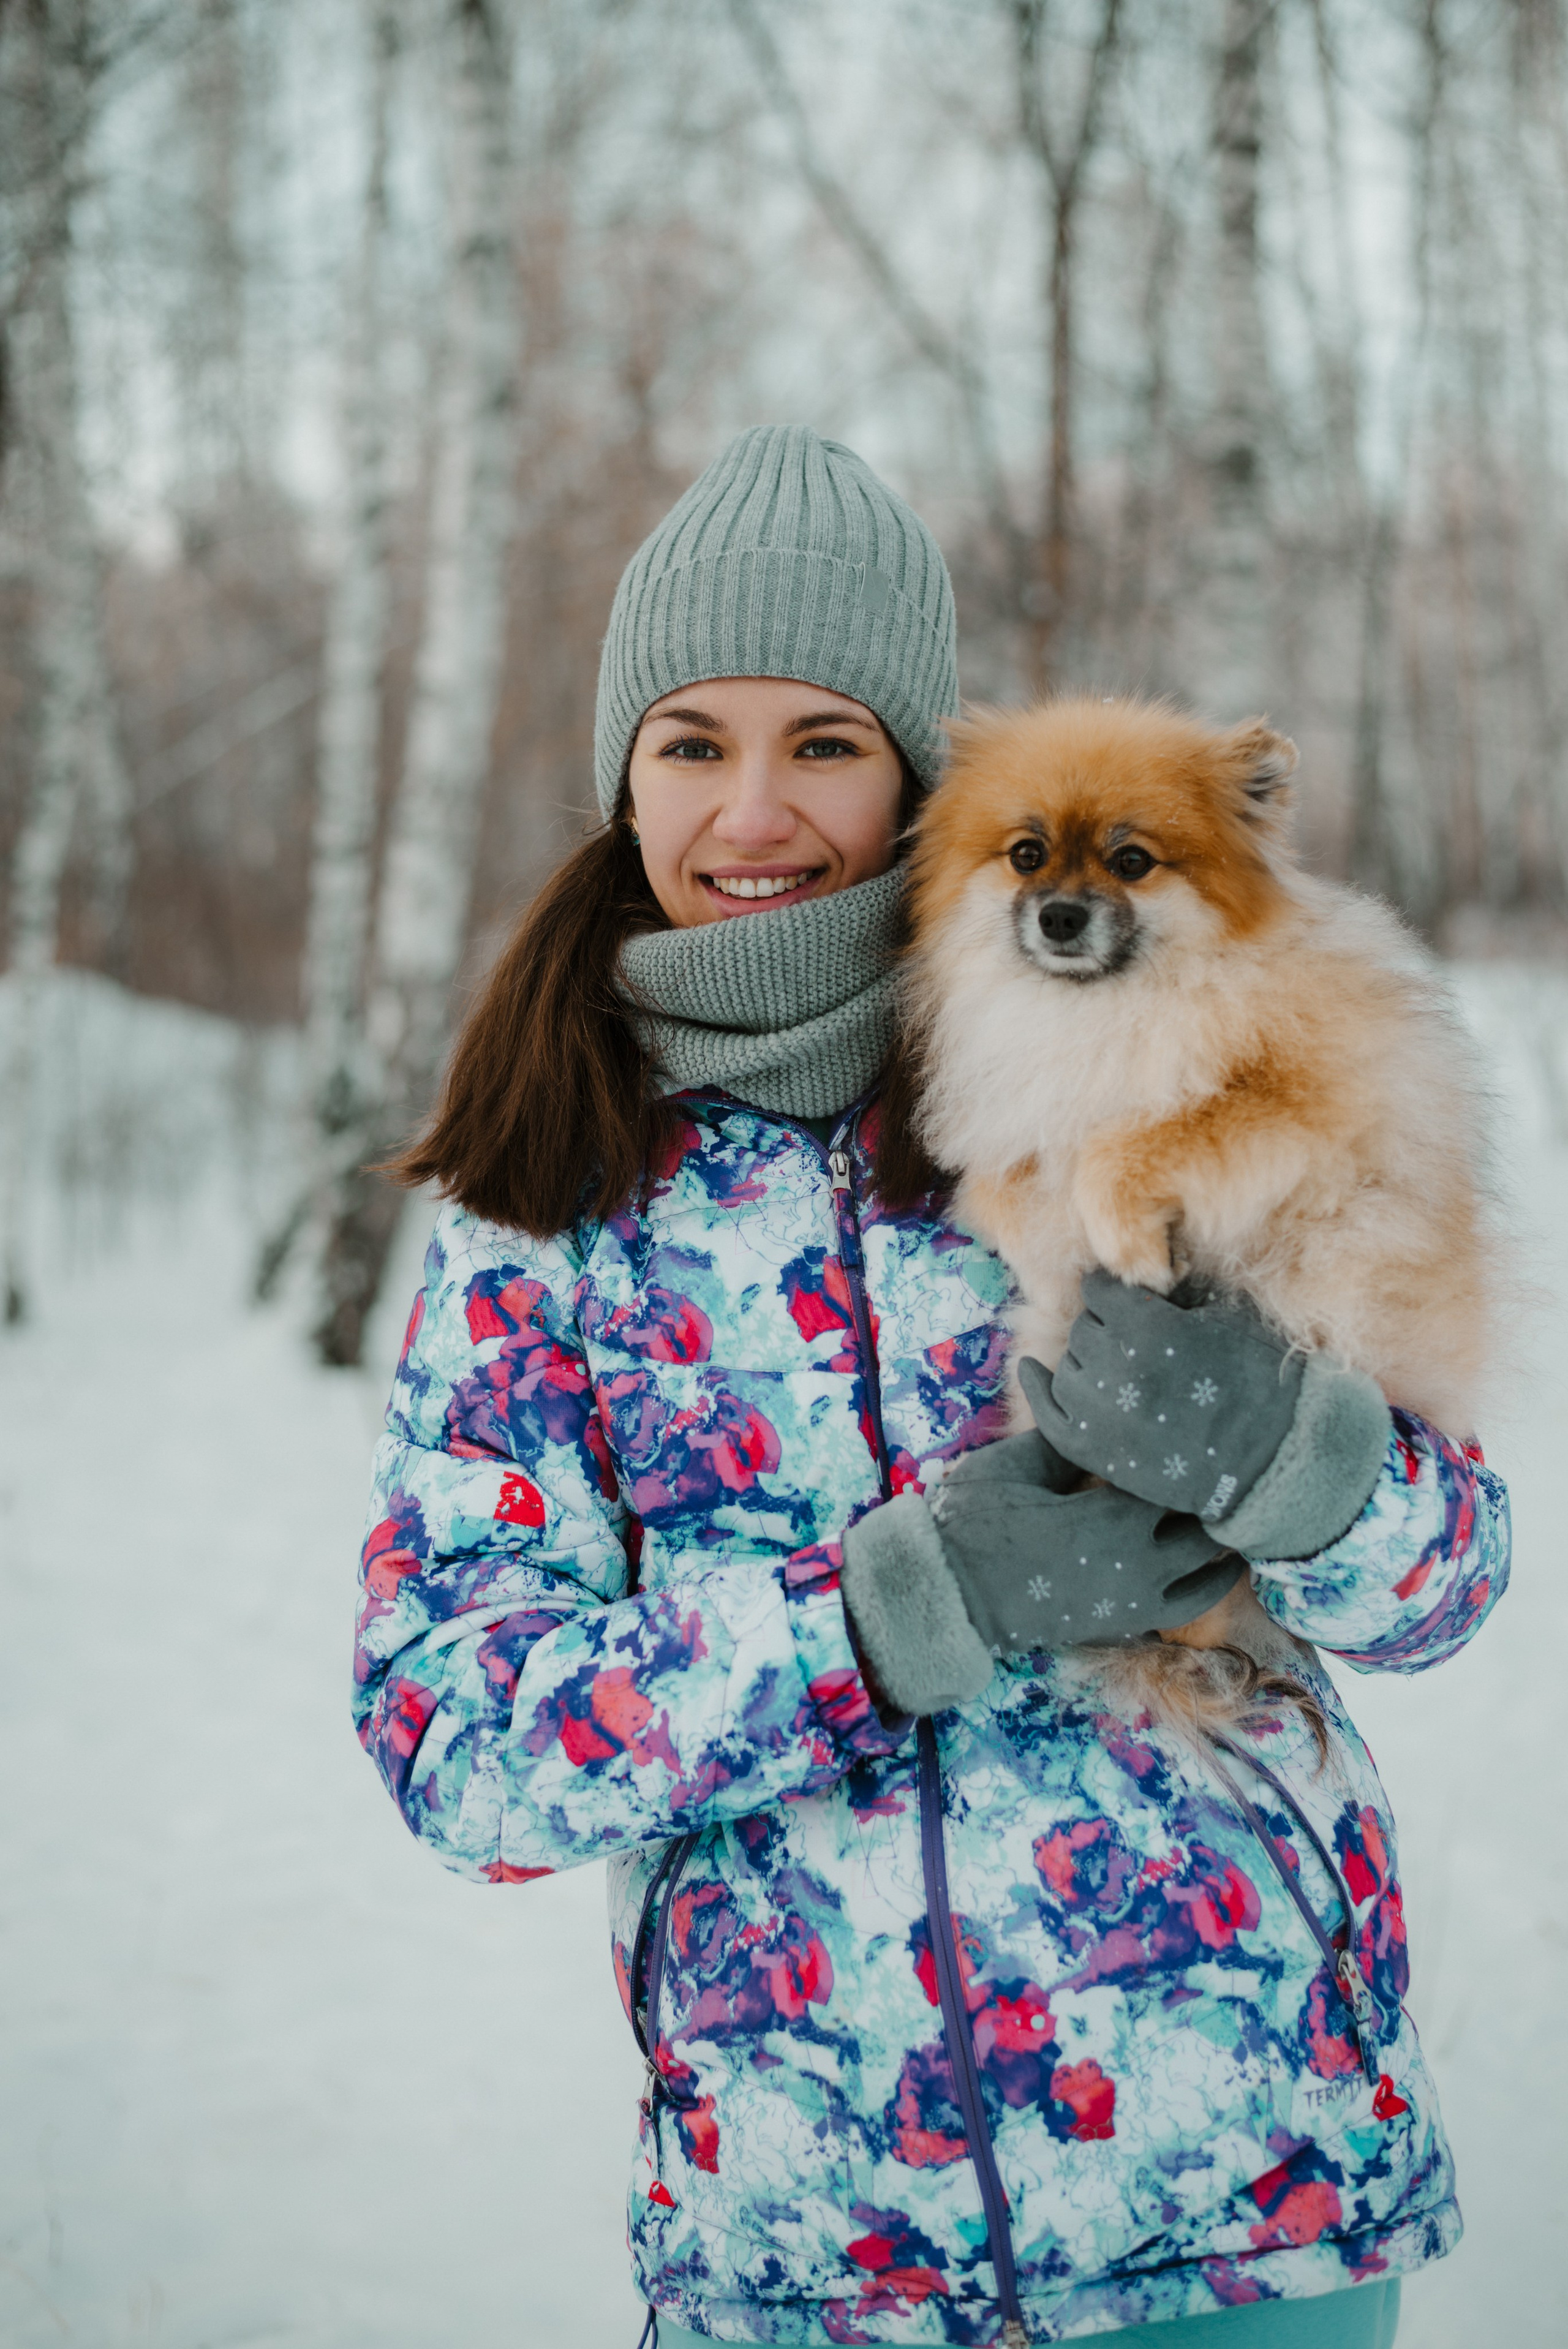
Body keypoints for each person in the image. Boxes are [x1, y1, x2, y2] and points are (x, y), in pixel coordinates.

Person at [353, 425, 1509, 2348]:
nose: (754, 809)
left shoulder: (1135, 1058)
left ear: (915, 776)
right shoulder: (545, 1194)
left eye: (823, 741)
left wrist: (1297, 1457)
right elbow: (457, 1740)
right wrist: (893, 1612)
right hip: (812, 2240)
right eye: (692, 742)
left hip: (1253, 2183)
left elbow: (1450, 1579)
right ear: (623, 775)